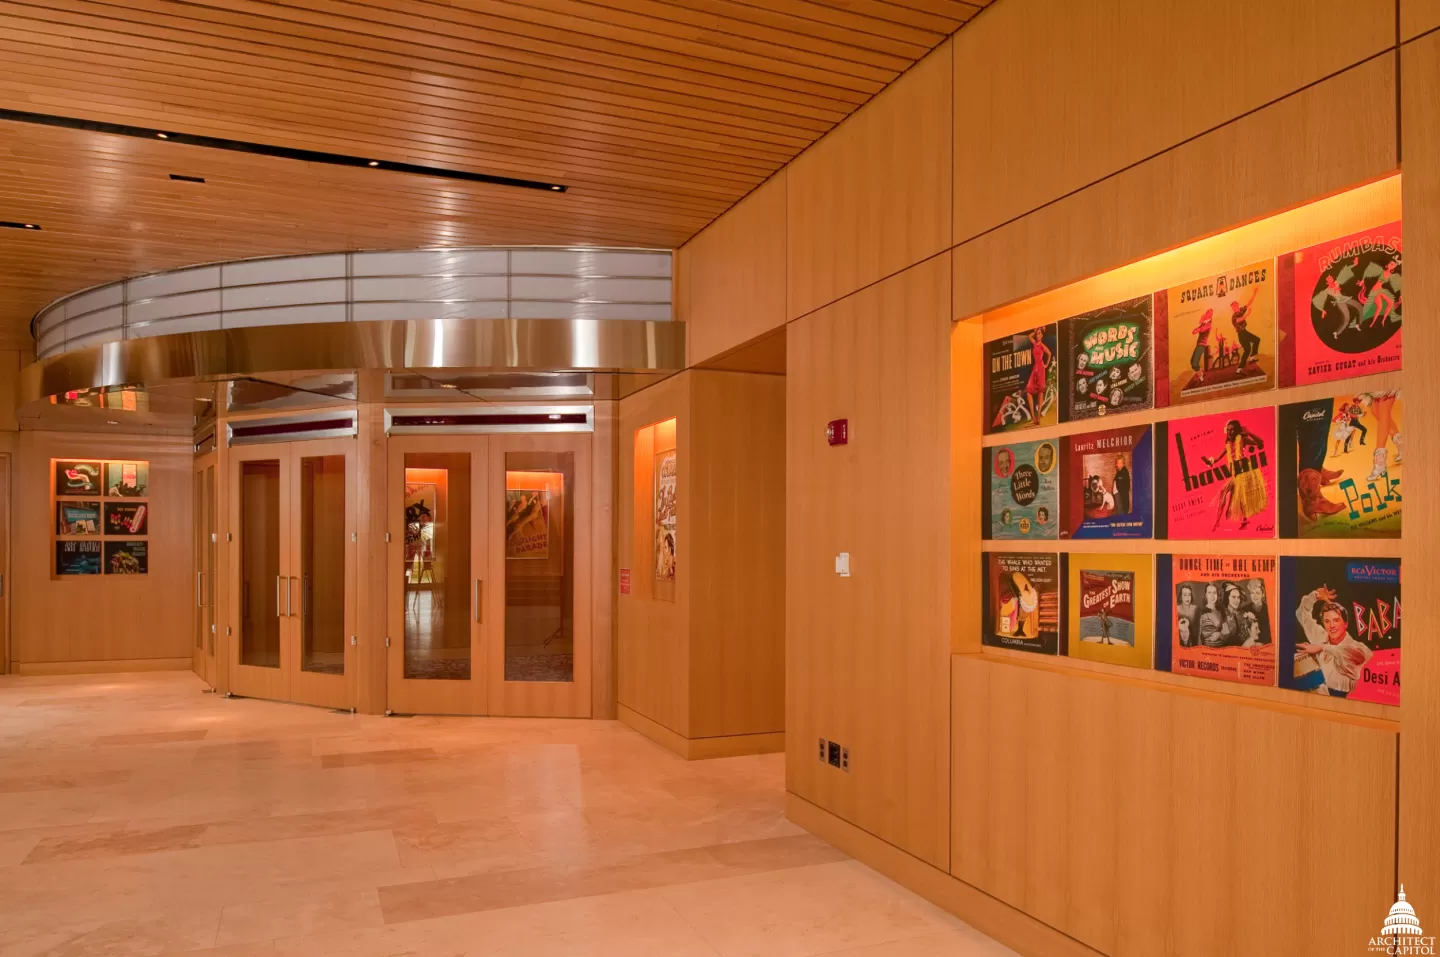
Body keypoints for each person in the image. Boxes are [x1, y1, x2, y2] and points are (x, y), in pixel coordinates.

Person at [1295, 585, 1372, 696]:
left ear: (1345, 623)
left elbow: (1345, 652)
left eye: (1336, 620)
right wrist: (1315, 596)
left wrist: (1321, 648)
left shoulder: (1358, 648)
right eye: (1327, 621)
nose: (1332, 626)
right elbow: (1301, 614)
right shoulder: (1321, 637)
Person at [1203, 419, 1268, 531]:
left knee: (1241, 494)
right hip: (1236, 473)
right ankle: (1218, 522)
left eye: (1232, 430)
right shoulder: (1227, 445)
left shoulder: (1242, 439)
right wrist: (1209, 462)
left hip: (1245, 471)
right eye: (1228, 430)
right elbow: (1217, 459)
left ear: (1237, 431)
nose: (1230, 432)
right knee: (1224, 492)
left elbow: (1260, 443)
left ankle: (1244, 521)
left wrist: (1250, 433)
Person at [1229, 286, 1263, 371]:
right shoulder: (1234, 316)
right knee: (1247, 350)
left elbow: (1249, 302)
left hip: (1245, 332)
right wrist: (1248, 314)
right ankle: (1239, 369)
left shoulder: (1241, 310)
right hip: (1241, 335)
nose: (1235, 307)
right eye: (1234, 306)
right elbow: (1240, 319)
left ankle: (1252, 358)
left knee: (1257, 340)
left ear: (1238, 305)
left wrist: (1255, 293)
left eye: (1236, 305)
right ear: (1232, 308)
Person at [1024, 327, 1052, 423]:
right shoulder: (1035, 343)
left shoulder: (1042, 346)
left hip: (1040, 369)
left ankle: (1038, 415)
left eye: (1039, 333)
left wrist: (1046, 365)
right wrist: (1035, 330)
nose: (1037, 335)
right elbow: (1029, 336)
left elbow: (1049, 353)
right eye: (1037, 334)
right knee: (1028, 391)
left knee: (1040, 392)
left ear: (1042, 335)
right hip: (1035, 368)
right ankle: (1033, 416)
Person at [1198, 582, 1228, 647]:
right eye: (1209, 592)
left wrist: (1220, 635)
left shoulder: (1222, 611)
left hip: (1221, 650)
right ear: (1205, 595)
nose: (1212, 596)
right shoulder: (1200, 611)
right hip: (1206, 650)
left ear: (1218, 594)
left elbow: (1226, 633)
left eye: (1214, 593)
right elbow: (1198, 637)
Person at [1188, 310, 1214, 385]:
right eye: (1206, 313)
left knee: (1194, 364)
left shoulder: (1208, 324)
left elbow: (1201, 329)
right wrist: (1198, 328)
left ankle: (1202, 379)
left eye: (1208, 314)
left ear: (1210, 316)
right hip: (1198, 344)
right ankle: (1201, 375)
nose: (1206, 315)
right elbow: (1194, 331)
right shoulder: (1204, 323)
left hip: (1202, 345)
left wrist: (1198, 329)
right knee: (1192, 362)